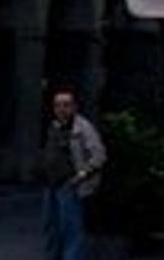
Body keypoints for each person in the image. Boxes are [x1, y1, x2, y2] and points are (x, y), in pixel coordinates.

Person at [39, 86, 106, 260]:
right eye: (58, 105)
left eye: (66, 105)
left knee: (71, 229)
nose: (61, 109)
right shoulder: (53, 126)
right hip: (50, 184)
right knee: (51, 228)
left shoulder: (82, 127)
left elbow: (99, 155)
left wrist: (82, 174)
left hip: (70, 185)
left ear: (74, 107)